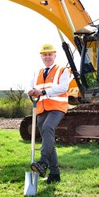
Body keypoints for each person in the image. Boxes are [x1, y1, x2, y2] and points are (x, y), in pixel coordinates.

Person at [26, 43, 70, 184]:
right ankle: (55, 174)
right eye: (45, 55)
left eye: (50, 54)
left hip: (57, 107)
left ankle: (43, 162)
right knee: (48, 140)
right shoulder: (37, 72)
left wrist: (44, 92)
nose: (47, 57)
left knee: (47, 128)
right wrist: (29, 91)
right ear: (41, 56)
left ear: (54, 55)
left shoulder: (62, 70)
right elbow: (29, 85)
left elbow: (64, 87)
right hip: (41, 108)